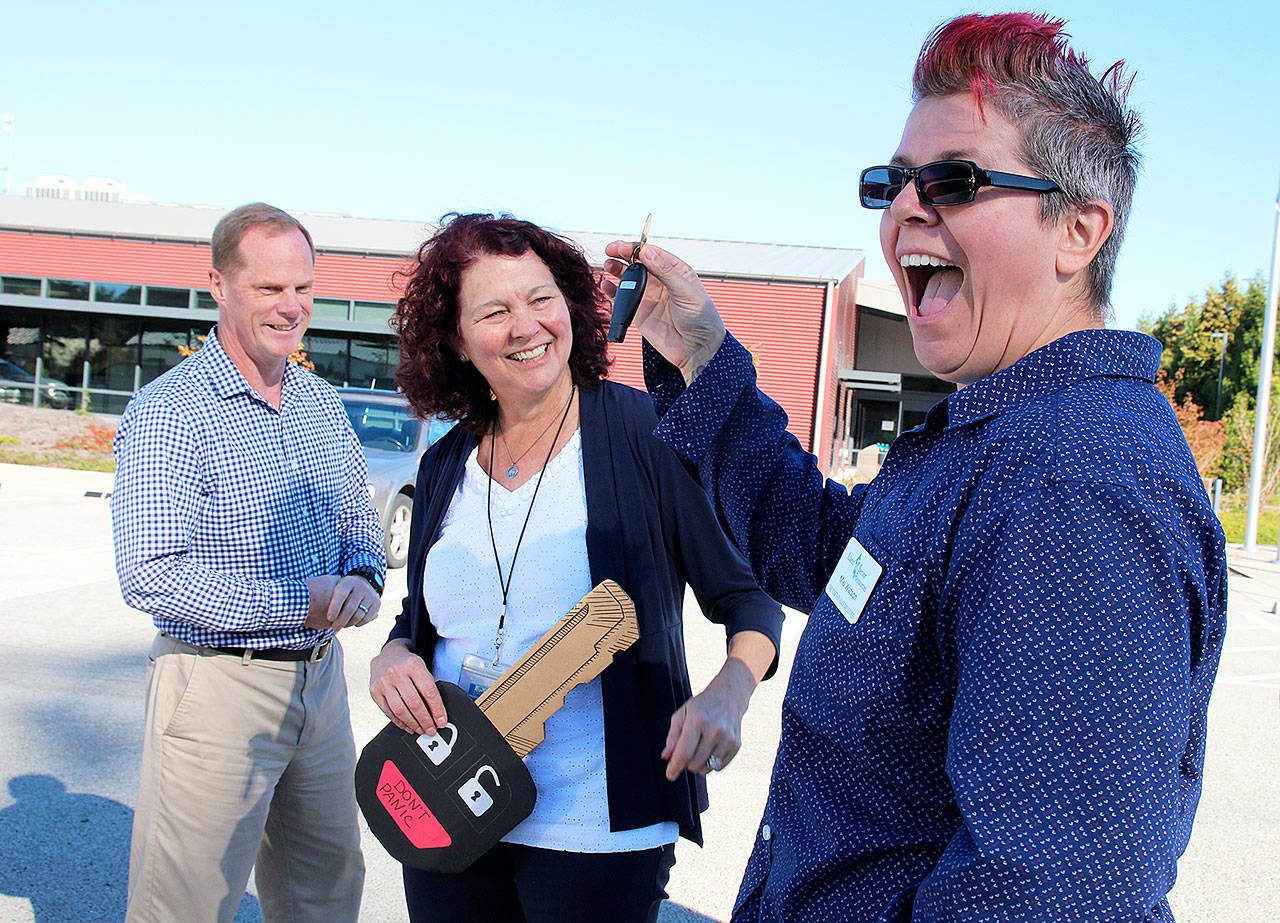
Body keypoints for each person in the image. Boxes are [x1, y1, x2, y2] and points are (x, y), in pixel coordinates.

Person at [603, 13, 1227, 922]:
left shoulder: (1070, 482)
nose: (904, 210)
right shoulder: (990, 438)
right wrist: (702, 355)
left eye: (954, 180)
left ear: (1080, 231)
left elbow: (1044, 895)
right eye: (893, 183)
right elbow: (822, 552)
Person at [368, 212, 783, 923]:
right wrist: (391, 655)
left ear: (571, 306)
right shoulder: (444, 464)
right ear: (458, 342)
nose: (526, 325)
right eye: (494, 311)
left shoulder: (644, 432)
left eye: (541, 298)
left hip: (596, 823)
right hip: (448, 800)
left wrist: (728, 692)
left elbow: (749, 598)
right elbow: (417, 622)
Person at [111, 202, 386, 922]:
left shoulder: (320, 402)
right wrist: (301, 599)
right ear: (219, 285)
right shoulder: (170, 411)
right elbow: (150, 571)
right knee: (187, 904)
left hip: (318, 684)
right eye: (269, 288)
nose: (291, 306)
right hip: (215, 686)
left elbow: (358, 518)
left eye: (303, 287)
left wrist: (362, 577)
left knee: (327, 891)